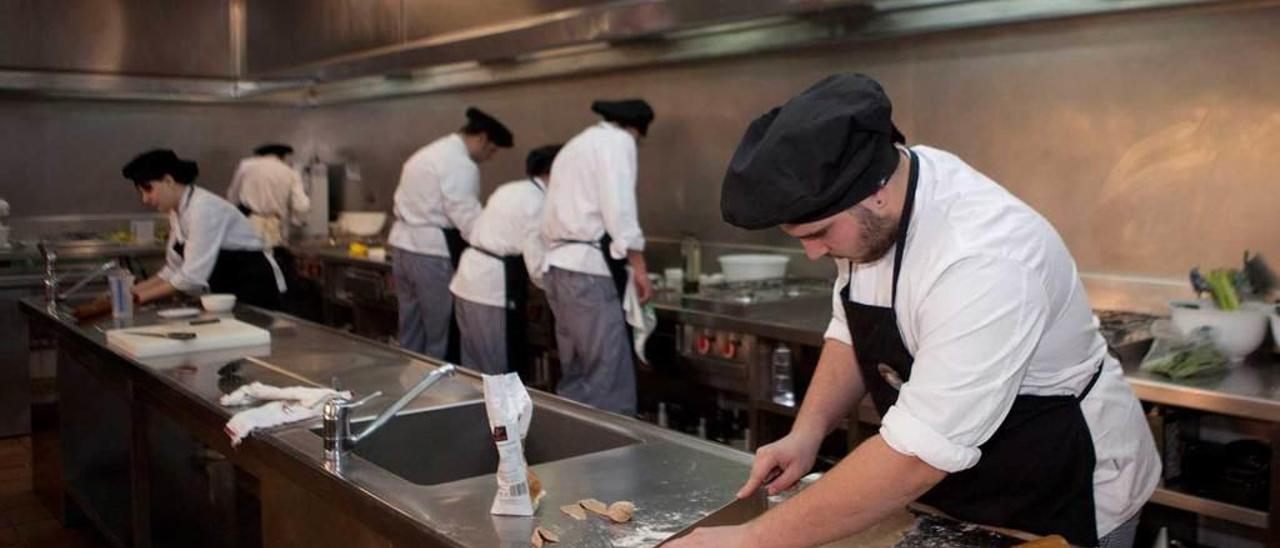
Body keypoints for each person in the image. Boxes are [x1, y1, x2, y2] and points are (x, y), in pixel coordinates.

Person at [670, 74, 1159, 548]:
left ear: (875, 192)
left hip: (1060, 488)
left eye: (819, 234)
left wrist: (753, 540)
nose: (815, 254)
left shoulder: (984, 257)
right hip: (957, 482)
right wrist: (808, 431)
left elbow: (917, 459)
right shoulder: (876, 212)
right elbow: (852, 325)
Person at [540, 99, 655, 415]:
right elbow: (619, 209)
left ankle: (573, 457)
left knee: (576, 373)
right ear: (636, 130)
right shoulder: (619, 142)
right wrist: (640, 269)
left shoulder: (575, 145)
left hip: (557, 268)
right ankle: (614, 461)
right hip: (587, 272)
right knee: (609, 378)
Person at [76, 149, 285, 317]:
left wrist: (135, 299)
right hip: (227, 293)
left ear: (168, 180)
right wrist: (126, 293)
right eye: (141, 192)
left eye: (148, 189)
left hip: (256, 290)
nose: (145, 199)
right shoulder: (177, 211)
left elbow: (190, 277)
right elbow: (172, 269)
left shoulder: (204, 208)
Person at [388, 107, 513, 361]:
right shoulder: (460, 164)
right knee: (440, 333)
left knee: (411, 329)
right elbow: (465, 215)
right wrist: (494, 243)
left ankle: (408, 391)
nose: (488, 158)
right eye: (490, 151)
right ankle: (437, 395)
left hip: (402, 248)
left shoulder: (429, 152)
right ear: (481, 139)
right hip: (430, 254)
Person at [450, 144, 561, 375]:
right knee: (497, 372)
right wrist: (560, 286)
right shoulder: (539, 202)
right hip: (491, 289)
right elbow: (536, 264)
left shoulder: (509, 189)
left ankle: (472, 411)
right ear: (552, 173)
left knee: (471, 366)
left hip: (466, 282)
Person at [225, 143, 310, 249]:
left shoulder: (245, 166)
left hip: (247, 224)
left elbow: (232, 197)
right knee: (271, 260)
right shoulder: (290, 172)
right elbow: (301, 205)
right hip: (274, 227)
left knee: (247, 259)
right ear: (282, 156)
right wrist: (298, 220)